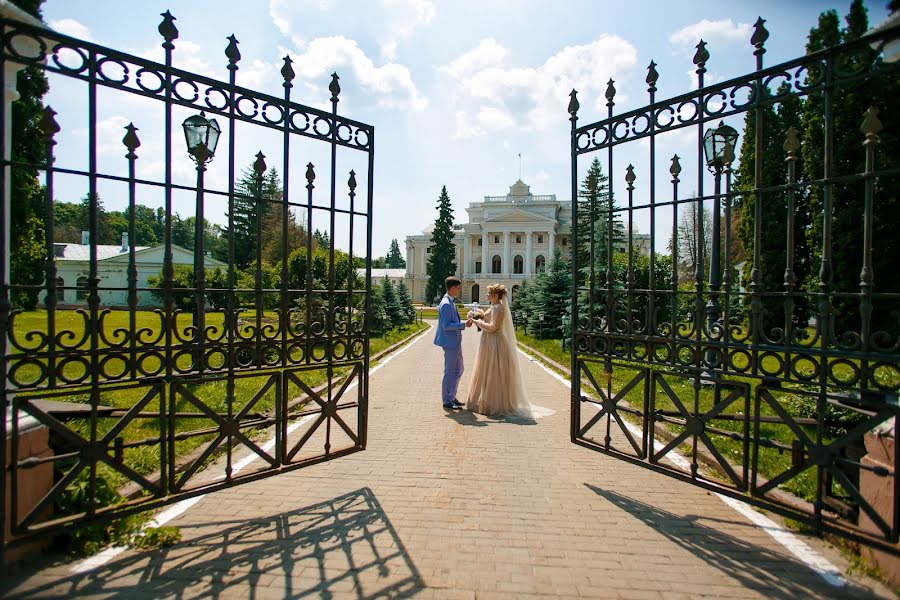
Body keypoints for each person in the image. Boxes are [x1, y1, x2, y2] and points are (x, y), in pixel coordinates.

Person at [466, 283, 542, 417]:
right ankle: (487, 401)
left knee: (493, 373)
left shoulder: (498, 308)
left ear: (495, 295)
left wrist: (477, 322)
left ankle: (494, 404)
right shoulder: (494, 306)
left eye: (489, 293)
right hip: (489, 342)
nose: (487, 295)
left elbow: (493, 327)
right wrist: (480, 315)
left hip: (494, 343)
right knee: (488, 372)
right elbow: (489, 318)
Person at [433, 276, 473, 410]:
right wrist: (462, 325)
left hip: (455, 342)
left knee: (459, 369)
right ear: (453, 288)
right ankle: (447, 400)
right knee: (449, 371)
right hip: (450, 343)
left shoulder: (450, 301)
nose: (459, 290)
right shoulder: (445, 304)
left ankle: (451, 395)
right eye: (458, 287)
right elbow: (446, 325)